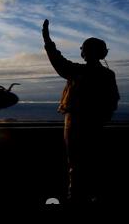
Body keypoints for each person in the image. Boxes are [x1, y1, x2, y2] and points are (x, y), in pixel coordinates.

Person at [42, 19, 120, 204]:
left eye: (83, 48)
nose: (81, 51)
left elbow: (59, 62)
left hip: (76, 123)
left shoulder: (77, 71)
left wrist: (47, 39)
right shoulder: (107, 75)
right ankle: (92, 196)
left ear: (87, 52)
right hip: (96, 124)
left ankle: (76, 198)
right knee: (93, 162)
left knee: (76, 164)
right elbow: (112, 101)